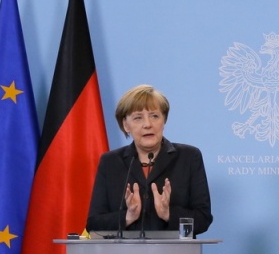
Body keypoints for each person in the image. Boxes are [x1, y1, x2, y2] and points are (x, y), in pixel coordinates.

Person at [87, 84, 213, 238]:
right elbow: (93, 223)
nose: (148, 124)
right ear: (126, 125)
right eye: (138, 117)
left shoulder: (189, 157)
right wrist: (128, 216)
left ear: (163, 120)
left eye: (154, 116)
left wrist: (168, 214)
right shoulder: (111, 162)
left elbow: (203, 218)